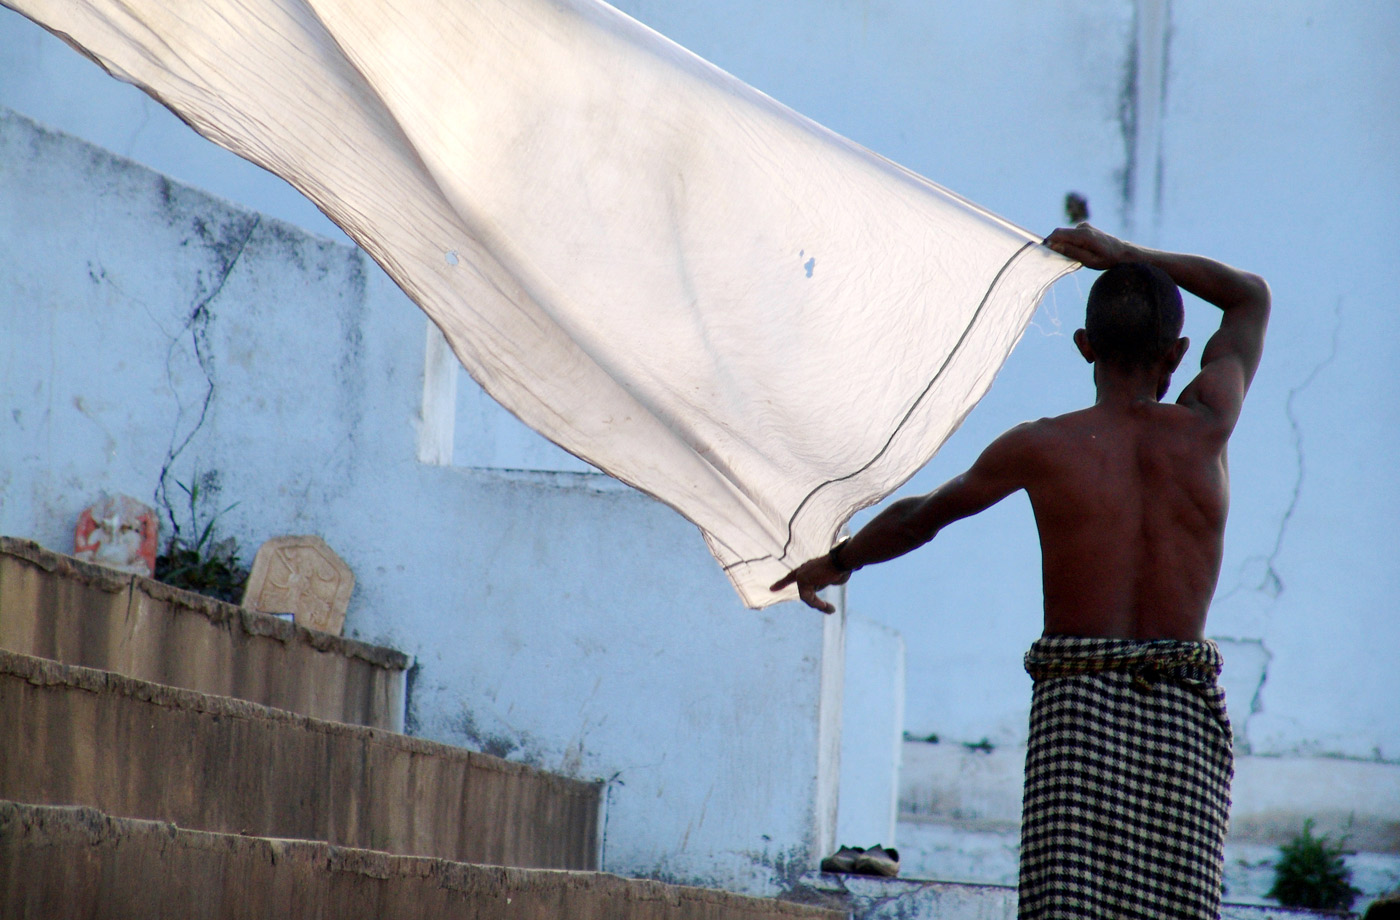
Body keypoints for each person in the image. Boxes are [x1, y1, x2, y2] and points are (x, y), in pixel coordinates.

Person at [772, 223, 1270, 920]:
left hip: (1077, 711)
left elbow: (924, 517)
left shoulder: (1042, 448)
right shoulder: (1207, 424)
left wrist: (837, 560)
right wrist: (1126, 254)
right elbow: (1248, 297)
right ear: (1178, 354)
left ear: (1084, 347)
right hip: (1178, 709)